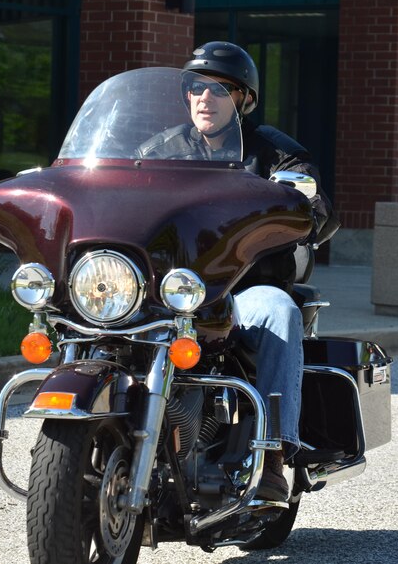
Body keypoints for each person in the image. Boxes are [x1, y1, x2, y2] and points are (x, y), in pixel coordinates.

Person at [139, 42, 336, 501]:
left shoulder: (274, 153)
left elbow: (318, 209)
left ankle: (272, 456)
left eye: (219, 88)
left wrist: (303, 204)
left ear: (244, 99)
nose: (204, 98)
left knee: (280, 311)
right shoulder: (156, 152)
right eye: (195, 87)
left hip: (241, 291)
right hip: (166, 293)